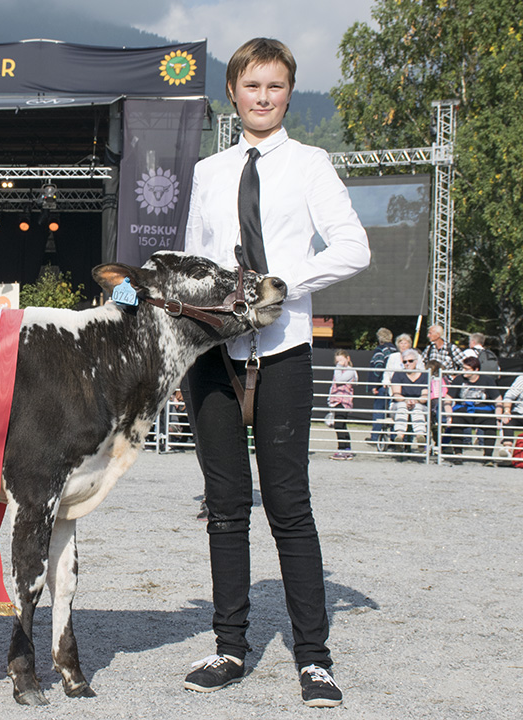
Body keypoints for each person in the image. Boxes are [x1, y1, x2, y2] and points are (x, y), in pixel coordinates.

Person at [181, 38, 368, 708]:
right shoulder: (208, 171)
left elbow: (353, 247)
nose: (263, 97)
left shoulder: (310, 164)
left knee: (289, 507)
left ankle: (313, 659)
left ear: (288, 93)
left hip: (283, 350)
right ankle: (229, 646)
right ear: (233, 92)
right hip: (213, 356)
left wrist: (281, 283)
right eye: (251, 85)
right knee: (225, 509)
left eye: (275, 86)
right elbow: (197, 260)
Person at [443, 356, 502, 462]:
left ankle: (488, 456)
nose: (463, 371)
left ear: (476, 370)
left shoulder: (487, 380)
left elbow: (498, 399)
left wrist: (498, 418)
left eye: (466, 369)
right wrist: (449, 416)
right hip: (464, 408)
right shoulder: (459, 379)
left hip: (483, 410)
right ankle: (458, 454)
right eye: (463, 368)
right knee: (456, 422)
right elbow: (448, 398)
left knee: (491, 424)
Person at [389, 349, 429, 445]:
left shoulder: (424, 375)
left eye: (410, 361)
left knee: (417, 408)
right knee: (402, 406)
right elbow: (396, 394)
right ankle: (399, 435)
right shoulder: (398, 374)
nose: (407, 364)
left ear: (416, 361)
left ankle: (420, 435)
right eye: (405, 362)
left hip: (419, 404)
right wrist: (406, 400)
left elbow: (425, 396)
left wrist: (416, 401)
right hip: (400, 403)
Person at [366, 328, 396, 443]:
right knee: (394, 412)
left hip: (383, 385)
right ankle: (394, 438)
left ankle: (376, 437)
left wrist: (374, 384)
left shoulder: (380, 350)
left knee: (379, 411)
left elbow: (378, 367)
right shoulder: (396, 350)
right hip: (396, 386)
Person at [327, 349, 357, 460]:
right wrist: (329, 400)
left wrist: (338, 367)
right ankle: (346, 449)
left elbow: (339, 380)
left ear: (347, 359)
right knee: (341, 425)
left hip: (343, 402)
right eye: (337, 362)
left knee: (339, 425)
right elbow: (333, 385)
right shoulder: (339, 371)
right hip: (336, 401)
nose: (339, 364)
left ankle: (342, 449)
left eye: (341, 361)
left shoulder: (350, 371)